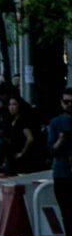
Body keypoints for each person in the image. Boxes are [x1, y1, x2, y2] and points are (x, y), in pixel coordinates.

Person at [47, 88, 72, 221]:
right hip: (63, 174)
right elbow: (51, 150)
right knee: (67, 213)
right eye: (66, 101)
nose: (69, 105)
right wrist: (60, 140)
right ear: (62, 103)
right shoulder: (56, 122)